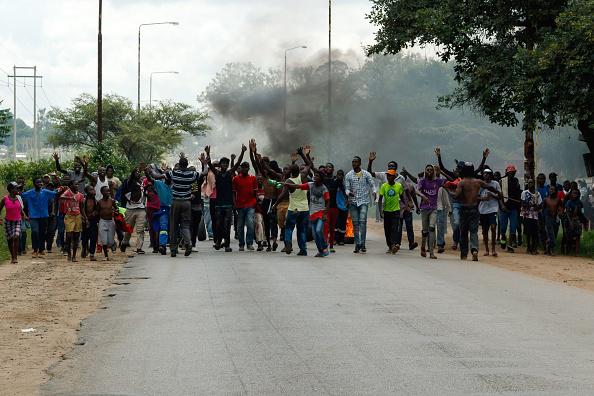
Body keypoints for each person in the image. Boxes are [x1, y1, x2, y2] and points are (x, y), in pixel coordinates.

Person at [453, 162, 500, 261]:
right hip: (474, 209)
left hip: (464, 209)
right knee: (474, 231)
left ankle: (464, 254)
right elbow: (489, 187)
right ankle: (474, 250)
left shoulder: (461, 183)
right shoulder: (478, 182)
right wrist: (498, 192)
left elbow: (456, 196)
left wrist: (449, 190)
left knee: (464, 232)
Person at [206, 145, 245, 252]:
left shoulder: (229, 173)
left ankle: (227, 245)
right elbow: (209, 164)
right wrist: (208, 153)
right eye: (222, 163)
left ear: (227, 165)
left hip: (228, 204)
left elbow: (237, 163)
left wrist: (242, 152)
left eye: (226, 163)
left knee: (227, 225)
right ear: (220, 165)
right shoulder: (217, 173)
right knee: (218, 224)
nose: (224, 165)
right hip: (218, 204)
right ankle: (218, 241)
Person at [286, 170, 331, 257]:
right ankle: (321, 251)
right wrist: (287, 184)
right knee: (314, 235)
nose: (315, 177)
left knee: (318, 230)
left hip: (321, 213)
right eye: (315, 176)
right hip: (312, 214)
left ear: (321, 178)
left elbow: (328, 201)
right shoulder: (311, 185)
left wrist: (325, 214)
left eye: (317, 176)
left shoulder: (324, 188)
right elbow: (298, 186)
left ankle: (324, 246)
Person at [345, 156, 376, 253]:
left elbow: (372, 184)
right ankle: (357, 244)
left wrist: (374, 192)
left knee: (362, 222)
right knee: (355, 224)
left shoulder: (366, 174)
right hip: (353, 202)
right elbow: (346, 188)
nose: (354, 164)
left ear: (360, 163)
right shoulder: (348, 175)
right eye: (353, 162)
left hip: (364, 201)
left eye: (356, 162)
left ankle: (363, 244)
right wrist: (348, 193)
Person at [21, 178, 58, 258]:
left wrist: (61, 187)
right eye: (37, 182)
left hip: (44, 216)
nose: (40, 183)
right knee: (35, 232)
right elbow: (21, 195)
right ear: (34, 184)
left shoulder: (45, 192)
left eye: (40, 182)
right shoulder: (29, 193)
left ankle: (41, 250)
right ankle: (35, 250)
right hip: (34, 216)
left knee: (42, 232)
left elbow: (55, 193)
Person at [417, 165, 445, 259]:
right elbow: (416, 190)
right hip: (424, 208)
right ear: (425, 171)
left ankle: (432, 252)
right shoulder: (422, 181)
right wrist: (423, 196)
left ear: (433, 172)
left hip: (433, 208)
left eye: (431, 170)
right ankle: (422, 247)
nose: (429, 171)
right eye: (427, 170)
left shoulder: (437, 181)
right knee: (425, 231)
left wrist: (441, 172)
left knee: (432, 228)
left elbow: (448, 182)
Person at [120, 168, 146, 257]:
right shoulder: (129, 182)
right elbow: (125, 191)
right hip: (130, 208)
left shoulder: (142, 182)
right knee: (128, 228)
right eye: (136, 172)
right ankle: (125, 242)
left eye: (139, 172)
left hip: (141, 209)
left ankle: (139, 247)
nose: (138, 173)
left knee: (140, 229)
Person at [378, 169, 405, 254]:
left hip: (396, 210)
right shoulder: (384, 186)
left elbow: (402, 196)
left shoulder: (399, 186)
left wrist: (407, 205)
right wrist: (380, 211)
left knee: (395, 228)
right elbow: (380, 199)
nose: (388, 177)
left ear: (394, 177)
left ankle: (394, 244)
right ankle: (390, 246)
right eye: (387, 175)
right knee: (387, 229)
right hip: (386, 211)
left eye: (390, 175)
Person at [233, 161, 257, 251]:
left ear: (248, 168)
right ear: (241, 168)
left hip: (250, 204)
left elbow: (255, 192)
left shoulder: (253, 178)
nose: (244, 169)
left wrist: (254, 202)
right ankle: (241, 244)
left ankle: (249, 243)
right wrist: (234, 203)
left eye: (246, 167)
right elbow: (233, 192)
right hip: (240, 205)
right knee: (240, 226)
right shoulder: (235, 179)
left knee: (250, 224)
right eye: (243, 167)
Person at [0, 182, 26, 264]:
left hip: (17, 221)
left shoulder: (19, 198)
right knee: (10, 239)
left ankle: (15, 257)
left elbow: (21, 209)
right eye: (16, 188)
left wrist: (24, 216)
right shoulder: (5, 199)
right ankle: (12, 256)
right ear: (11, 190)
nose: (18, 190)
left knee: (16, 236)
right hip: (8, 221)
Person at [61, 181, 86, 262]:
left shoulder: (80, 195)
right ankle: (69, 253)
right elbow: (61, 197)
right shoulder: (68, 192)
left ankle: (74, 256)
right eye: (75, 184)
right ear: (71, 186)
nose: (77, 186)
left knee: (76, 236)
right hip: (69, 216)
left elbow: (82, 208)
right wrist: (70, 198)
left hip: (77, 216)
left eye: (78, 184)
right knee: (69, 236)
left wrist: (85, 217)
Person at [478, 168, 502, 257]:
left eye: (488, 174)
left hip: (493, 208)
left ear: (491, 175)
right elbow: (476, 197)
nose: (486, 175)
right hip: (483, 210)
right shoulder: (480, 185)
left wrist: (492, 195)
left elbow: (500, 195)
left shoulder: (495, 184)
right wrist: (483, 199)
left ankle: (493, 249)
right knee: (485, 230)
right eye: (484, 174)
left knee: (493, 227)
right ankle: (487, 249)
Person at [499, 164, 522, 252]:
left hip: (513, 208)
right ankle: (503, 238)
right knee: (503, 227)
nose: (512, 174)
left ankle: (510, 245)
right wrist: (502, 205)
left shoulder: (516, 181)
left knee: (513, 227)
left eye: (513, 172)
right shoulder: (502, 181)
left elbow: (518, 193)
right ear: (507, 173)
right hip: (504, 208)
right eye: (510, 172)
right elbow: (499, 196)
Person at [520, 179, 543, 255]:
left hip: (535, 216)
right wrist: (529, 205)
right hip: (527, 215)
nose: (531, 184)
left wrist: (537, 207)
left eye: (532, 182)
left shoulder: (537, 194)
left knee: (534, 233)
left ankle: (534, 248)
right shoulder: (524, 192)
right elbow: (523, 203)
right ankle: (528, 248)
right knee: (528, 232)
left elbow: (540, 205)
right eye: (529, 183)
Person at [563, 189, 588, 255]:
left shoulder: (580, 203)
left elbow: (581, 213)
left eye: (576, 194)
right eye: (573, 193)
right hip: (569, 220)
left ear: (578, 195)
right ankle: (568, 251)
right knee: (569, 237)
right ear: (571, 194)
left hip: (577, 220)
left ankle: (577, 252)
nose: (574, 195)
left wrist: (585, 222)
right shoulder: (569, 202)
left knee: (578, 236)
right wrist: (570, 222)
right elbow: (567, 213)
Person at [97, 185, 117, 261]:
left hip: (111, 221)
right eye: (106, 191)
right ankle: (106, 256)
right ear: (102, 192)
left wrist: (116, 211)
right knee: (104, 240)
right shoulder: (99, 202)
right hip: (102, 221)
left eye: (109, 191)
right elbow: (97, 211)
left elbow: (116, 208)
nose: (108, 192)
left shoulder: (112, 200)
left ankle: (113, 244)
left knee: (110, 241)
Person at [543, 185, 563, 256]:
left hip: (555, 219)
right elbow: (542, 208)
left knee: (553, 234)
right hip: (548, 218)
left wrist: (560, 212)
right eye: (550, 189)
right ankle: (551, 249)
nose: (551, 191)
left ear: (556, 191)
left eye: (553, 190)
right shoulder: (546, 199)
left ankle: (547, 248)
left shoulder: (558, 200)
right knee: (551, 236)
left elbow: (561, 208)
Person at [81, 185, 99, 261]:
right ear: (87, 192)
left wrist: (94, 213)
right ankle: (84, 248)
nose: (93, 191)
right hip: (85, 220)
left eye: (93, 189)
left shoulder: (96, 200)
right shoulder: (84, 200)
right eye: (91, 190)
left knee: (93, 237)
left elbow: (97, 210)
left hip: (93, 220)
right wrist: (86, 219)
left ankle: (92, 253)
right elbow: (82, 210)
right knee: (85, 237)